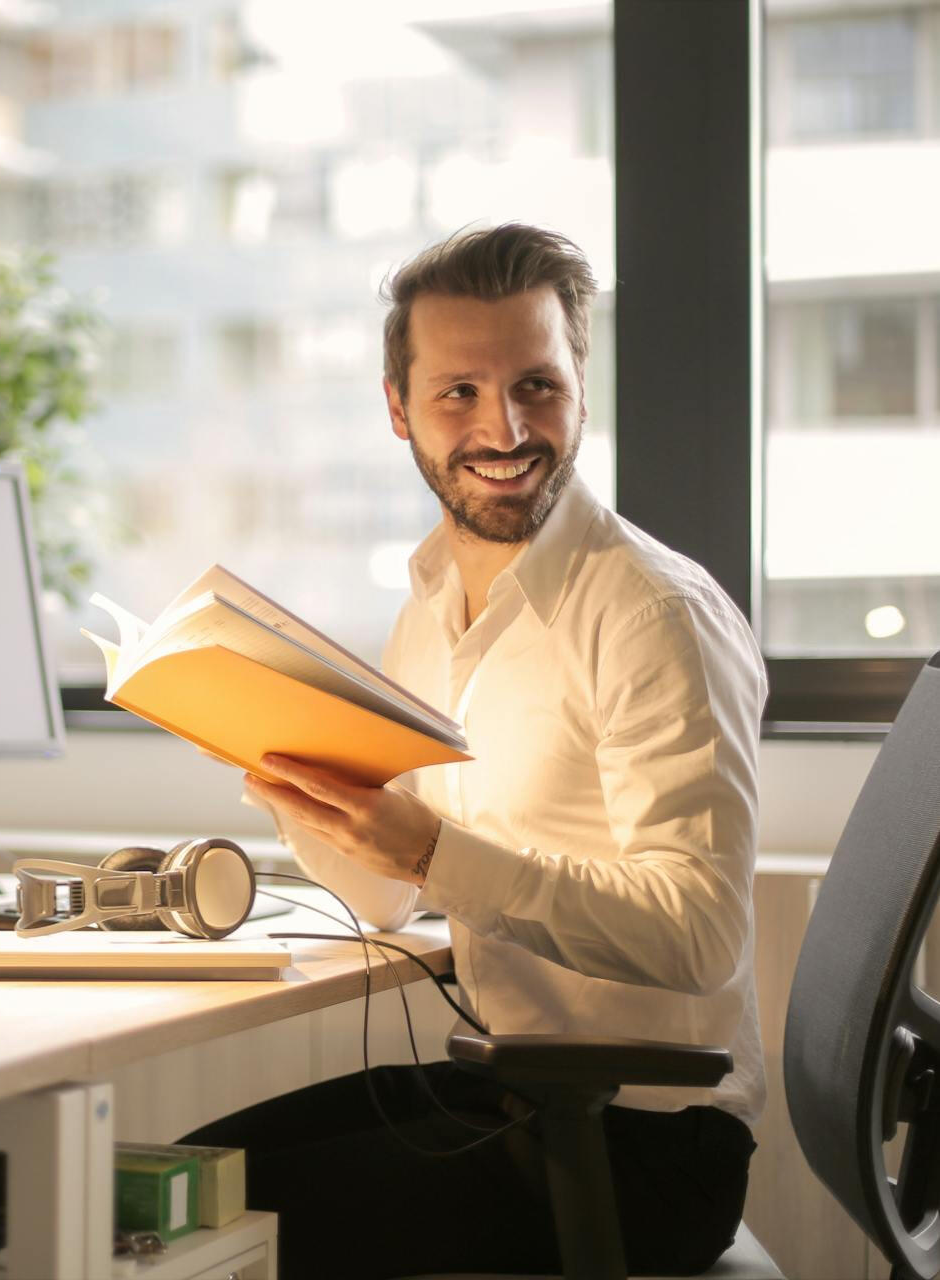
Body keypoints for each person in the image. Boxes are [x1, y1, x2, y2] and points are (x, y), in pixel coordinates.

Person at [183, 223, 766, 1278]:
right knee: (171, 1178)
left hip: (642, 1145)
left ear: (579, 384)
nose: (503, 427)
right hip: (510, 1089)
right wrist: (293, 784)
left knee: (184, 1232)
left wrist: (429, 850)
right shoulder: (431, 601)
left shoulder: (650, 612)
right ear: (396, 408)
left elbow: (698, 934)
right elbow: (385, 899)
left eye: (535, 384)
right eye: (458, 392)